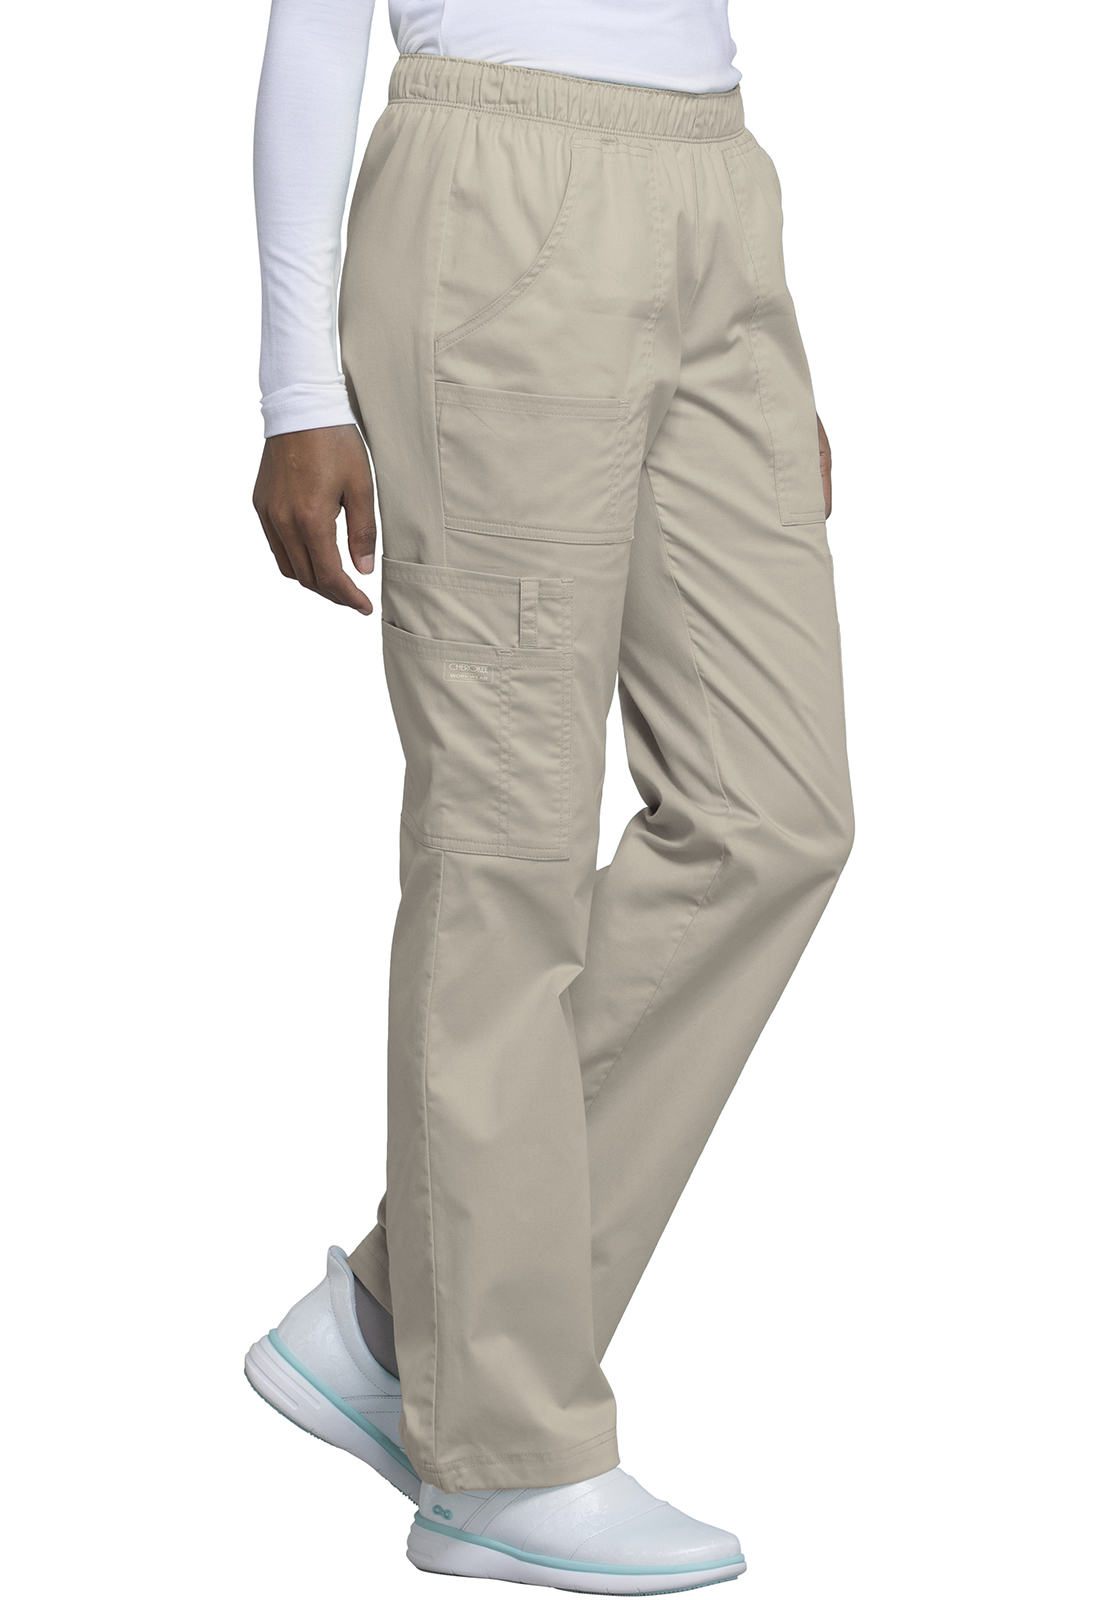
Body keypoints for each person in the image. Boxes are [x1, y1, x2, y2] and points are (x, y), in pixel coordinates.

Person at [245, 2, 854, 1590]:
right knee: (503, 847)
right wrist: (297, 389)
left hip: (715, 192)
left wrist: (734, 299)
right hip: (498, 190)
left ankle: (399, 1315)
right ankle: (500, 1460)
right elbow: (315, 22)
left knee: (774, 813)